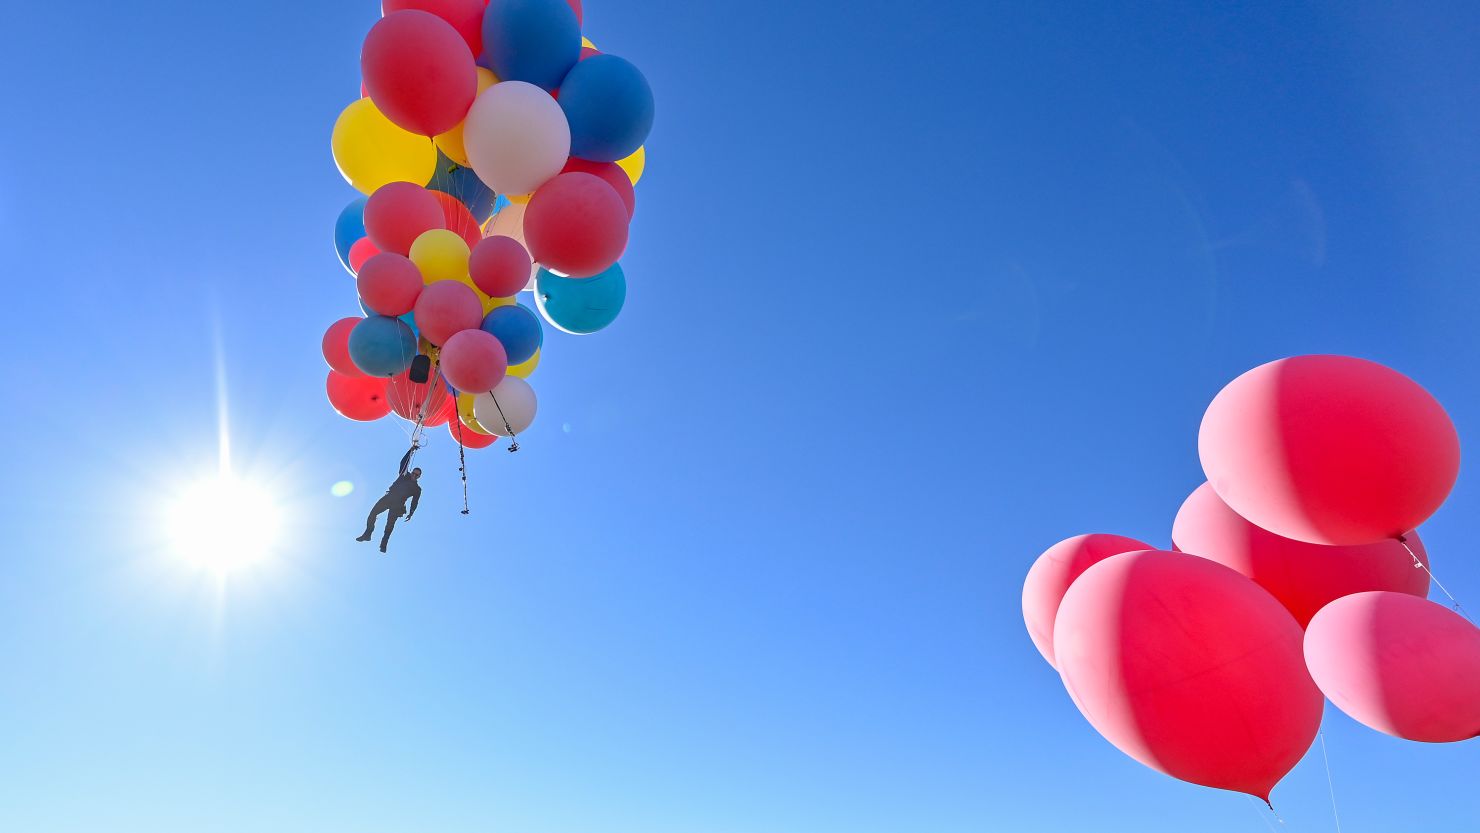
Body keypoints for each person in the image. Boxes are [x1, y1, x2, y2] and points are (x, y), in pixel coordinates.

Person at [356, 446, 422, 553]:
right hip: (389, 497)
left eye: (417, 475)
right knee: (372, 513)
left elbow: (415, 501)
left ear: (419, 477)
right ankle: (367, 534)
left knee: (389, 525)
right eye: (414, 473)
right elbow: (403, 462)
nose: (414, 475)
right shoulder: (404, 475)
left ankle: (383, 544)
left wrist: (411, 512)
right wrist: (410, 451)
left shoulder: (417, 489)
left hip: (398, 505)